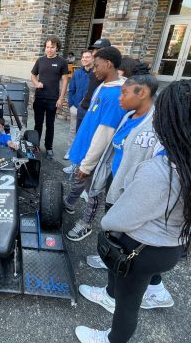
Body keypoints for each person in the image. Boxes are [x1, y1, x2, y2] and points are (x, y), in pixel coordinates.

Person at [75, 79, 191, 343]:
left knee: (128, 304)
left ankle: (113, 340)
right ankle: (117, 298)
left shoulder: (159, 172)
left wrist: (107, 221)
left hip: (141, 250)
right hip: (170, 246)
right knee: (130, 297)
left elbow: (119, 219)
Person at [82, 74, 176, 310]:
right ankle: (115, 265)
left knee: (127, 244)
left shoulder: (156, 125)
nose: (120, 98)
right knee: (116, 239)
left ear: (142, 93)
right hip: (118, 185)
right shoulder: (129, 116)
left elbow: (157, 170)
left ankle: (113, 296)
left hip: (134, 193)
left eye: (125, 93)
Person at [64, 46, 127, 242]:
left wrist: (89, 163)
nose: (94, 69)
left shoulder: (117, 95)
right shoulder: (102, 86)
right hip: (84, 146)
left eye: (97, 65)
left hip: (96, 155)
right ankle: (70, 202)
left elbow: (105, 134)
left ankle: (86, 223)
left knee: (94, 190)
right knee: (78, 178)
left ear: (108, 64)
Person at [63, 39, 111, 172]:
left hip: (94, 112)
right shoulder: (79, 72)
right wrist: (73, 105)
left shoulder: (102, 72)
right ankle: (75, 164)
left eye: (97, 51)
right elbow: (72, 90)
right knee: (79, 135)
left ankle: (85, 169)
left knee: (91, 141)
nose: (95, 53)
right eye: (94, 50)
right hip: (81, 109)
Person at [31, 35, 69, 159]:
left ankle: (49, 148)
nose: (49, 49)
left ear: (57, 48)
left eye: (52, 47)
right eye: (47, 47)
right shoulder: (40, 60)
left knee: (50, 124)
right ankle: (35, 146)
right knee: (38, 124)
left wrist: (61, 98)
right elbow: (33, 74)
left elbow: (64, 81)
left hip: (53, 99)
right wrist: (36, 83)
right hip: (40, 97)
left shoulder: (62, 62)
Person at [65, 50, 94, 160]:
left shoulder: (96, 74)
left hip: (89, 109)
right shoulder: (77, 73)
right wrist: (71, 105)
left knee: (86, 132)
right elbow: (71, 90)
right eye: (83, 57)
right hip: (76, 108)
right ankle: (70, 150)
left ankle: (83, 154)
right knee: (73, 130)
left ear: (93, 59)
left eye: (87, 57)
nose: (84, 59)